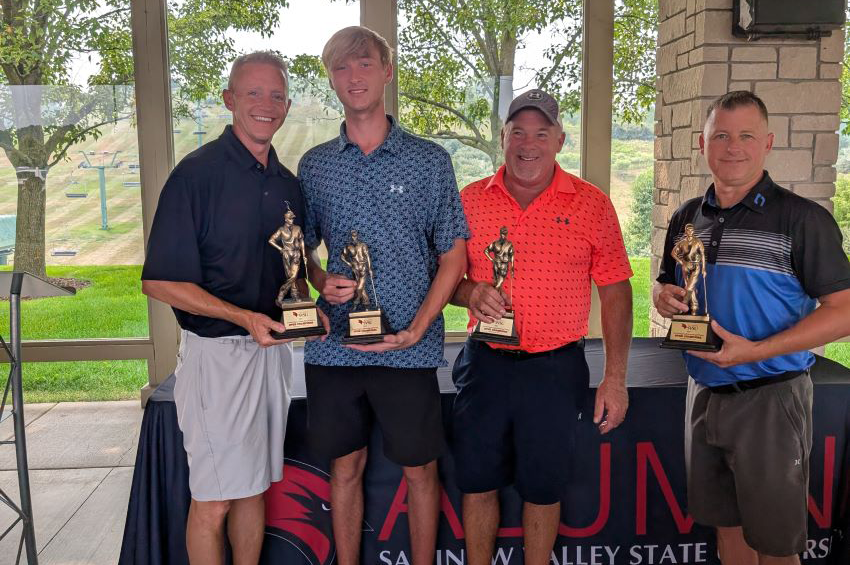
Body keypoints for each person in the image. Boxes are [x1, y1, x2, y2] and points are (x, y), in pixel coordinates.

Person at [141, 51, 328, 565]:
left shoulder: (287, 182)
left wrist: (315, 291)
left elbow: (296, 257)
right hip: (217, 357)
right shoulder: (195, 177)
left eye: (276, 95)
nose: (266, 105)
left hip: (272, 354)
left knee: (251, 490)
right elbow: (158, 282)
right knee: (215, 499)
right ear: (229, 100)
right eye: (253, 93)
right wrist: (243, 318)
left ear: (287, 105)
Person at [653, 90, 850, 564]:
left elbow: (843, 311)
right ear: (702, 144)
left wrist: (755, 351)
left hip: (771, 395)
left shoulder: (803, 219)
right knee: (728, 532)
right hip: (703, 391)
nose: (732, 147)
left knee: (776, 545)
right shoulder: (687, 218)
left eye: (745, 135)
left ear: (768, 143)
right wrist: (663, 295)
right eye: (720, 135)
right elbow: (665, 283)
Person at [298, 26, 468, 565]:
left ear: (387, 72)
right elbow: (298, 252)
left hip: (409, 348)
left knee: (421, 470)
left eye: (365, 64)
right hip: (336, 349)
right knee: (344, 468)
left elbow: (454, 256)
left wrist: (419, 327)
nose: (354, 77)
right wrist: (320, 280)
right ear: (331, 78)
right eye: (342, 68)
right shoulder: (315, 165)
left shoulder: (429, 161)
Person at [449, 89, 633, 565]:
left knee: (543, 487)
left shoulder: (592, 204)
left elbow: (615, 290)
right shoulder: (469, 201)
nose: (527, 144)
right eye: (518, 132)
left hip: (555, 368)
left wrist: (615, 377)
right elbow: (444, 280)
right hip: (484, 364)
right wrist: (470, 293)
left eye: (541, 133)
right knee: (478, 481)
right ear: (503, 136)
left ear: (559, 140)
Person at [268, 207, 308, 305]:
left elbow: (301, 241)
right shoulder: (281, 230)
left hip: (296, 254)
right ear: (286, 219)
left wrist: (304, 255)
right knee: (290, 276)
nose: (292, 220)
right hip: (286, 255)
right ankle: (294, 294)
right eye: (290, 218)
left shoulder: (297, 228)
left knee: (293, 276)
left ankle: (281, 293)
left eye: (293, 218)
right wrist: (281, 249)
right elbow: (271, 240)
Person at [670, 223, 706, 315]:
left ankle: (684, 304)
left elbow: (702, 255)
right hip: (685, 266)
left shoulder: (698, 242)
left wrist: (704, 268)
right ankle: (694, 308)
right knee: (691, 287)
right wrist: (681, 261)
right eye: (688, 230)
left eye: (692, 230)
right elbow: (673, 253)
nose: (690, 232)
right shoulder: (682, 243)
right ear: (686, 231)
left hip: (696, 266)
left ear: (694, 231)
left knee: (689, 287)